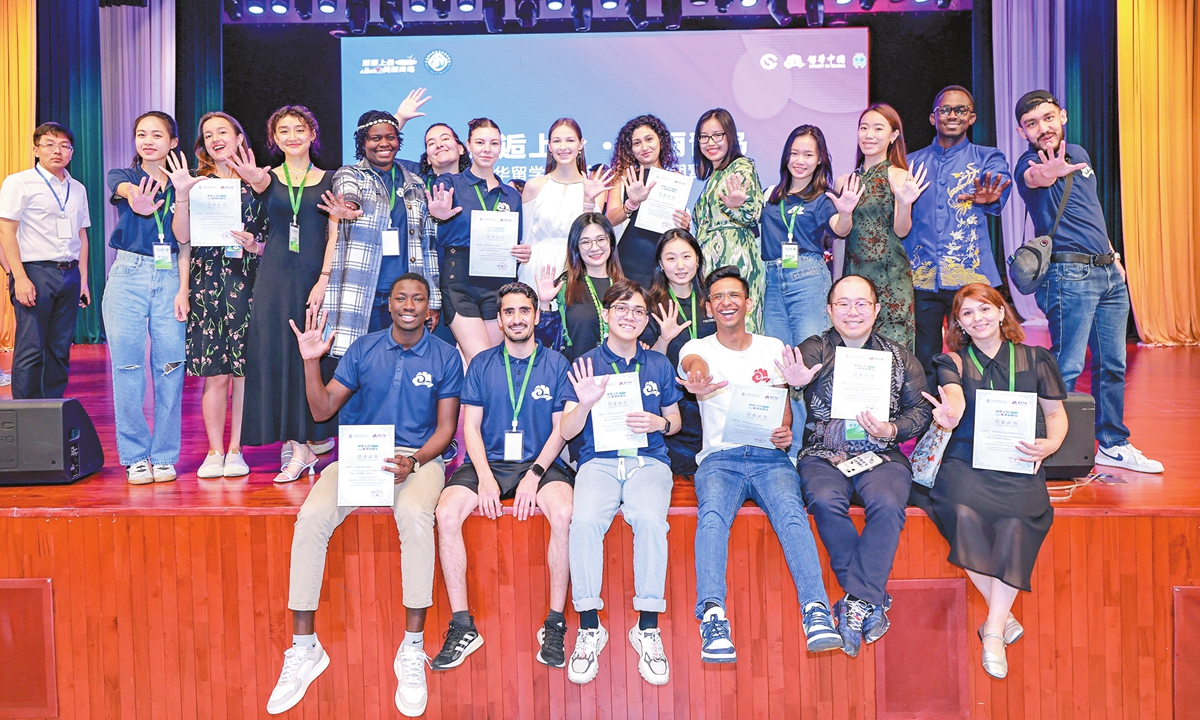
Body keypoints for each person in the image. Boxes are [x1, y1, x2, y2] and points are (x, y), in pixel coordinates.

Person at [266, 273, 461, 717]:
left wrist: (414, 461)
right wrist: (311, 361)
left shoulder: (447, 356)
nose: (409, 305)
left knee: (414, 516)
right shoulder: (363, 349)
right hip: (360, 453)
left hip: (419, 458)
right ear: (387, 305)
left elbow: (446, 429)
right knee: (312, 516)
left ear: (430, 308)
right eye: (400, 298)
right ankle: (304, 648)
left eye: (418, 298)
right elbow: (321, 409)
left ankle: (412, 649)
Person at [678, 265, 843, 662]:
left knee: (791, 513)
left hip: (771, 458)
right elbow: (693, 365)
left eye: (734, 295)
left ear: (748, 303)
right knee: (713, 515)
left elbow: (783, 410)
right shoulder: (696, 346)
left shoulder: (772, 348)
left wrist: (784, 432)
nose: (726, 303)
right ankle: (713, 619)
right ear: (709, 306)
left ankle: (816, 612)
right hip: (720, 459)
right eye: (718, 297)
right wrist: (698, 379)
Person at [917, 283, 1067, 679]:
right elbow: (955, 396)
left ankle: (994, 626)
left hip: (1017, 460)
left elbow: (1055, 416)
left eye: (985, 309)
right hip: (966, 460)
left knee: (1019, 523)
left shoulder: (1036, 358)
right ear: (959, 323)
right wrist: (950, 413)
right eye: (967, 313)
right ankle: (1000, 627)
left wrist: (1050, 444)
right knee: (960, 512)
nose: (977, 318)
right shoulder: (953, 361)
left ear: (1002, 313)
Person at [430, 282, 577, 672]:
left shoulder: (556, 364)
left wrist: (534, 474)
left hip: (540, 463)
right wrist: (484, 477)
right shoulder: (481, 364)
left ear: (536, 316)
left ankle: (554, 622)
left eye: (523, 311)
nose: (516, 319)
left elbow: (559, 430)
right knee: (445, 515)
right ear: (499, 319)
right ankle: (462, 625)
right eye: (508, 312)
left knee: (563, 513)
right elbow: (471, 429)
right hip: (488, 462)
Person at [1013, 90, 1162, 473]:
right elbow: (1037, 176)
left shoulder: (1079, 154)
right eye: (1032, 124)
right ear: (1021, 131)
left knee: (1113, 364)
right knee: (1067, 365)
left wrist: (1113, 254)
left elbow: (1089, 209)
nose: (1042, 128)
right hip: (1069, 274)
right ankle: (1044, 448)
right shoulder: (1027, 164)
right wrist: (1050, 171)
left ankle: (1113, 443)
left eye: (1048, 118)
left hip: (1108, 272)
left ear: (1062, 115)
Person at [787, 274, 932, 657]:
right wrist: (797, 383)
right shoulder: (815, 349)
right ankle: (869, 597)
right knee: (822, 499)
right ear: (830, 309)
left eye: (861, 304)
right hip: (823, 454)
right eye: (843, 304)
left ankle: (855, 602)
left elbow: (921, 410)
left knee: (887, 503)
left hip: (881, 454)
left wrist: (893, 428)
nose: (852, 312)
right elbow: (796, 380)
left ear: (877, 309)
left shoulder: (900, 356)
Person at [559, 279, 682, 686]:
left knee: (650, 521)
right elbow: (567, 429)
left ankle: (647, 627)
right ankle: (590, 625)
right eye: (622, 309)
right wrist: (588, 402)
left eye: (638, 312)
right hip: (600, 462)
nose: (630, 317)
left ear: (645, 320)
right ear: (607, 315)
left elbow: (675, 422)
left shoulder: (658, 365)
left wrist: (659, 423)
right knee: (585, 522)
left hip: (648, 461)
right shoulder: (584, 364)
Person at [231, 105, 339, 482]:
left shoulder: (331, 179)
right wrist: (252, 182)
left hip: (314, 278)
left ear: (312, 134)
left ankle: (306, 443)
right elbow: (265, 218)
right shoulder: (265, 178)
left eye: (299, 129)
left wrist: (325, 278)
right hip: (274, 278)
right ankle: (295, 446)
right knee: (277, 356)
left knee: (307, 360)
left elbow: (334, 235)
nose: (292, 136)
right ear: (274, 139)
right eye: (283, 131)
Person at [165, 112, 265, 478]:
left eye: (223, 131)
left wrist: (257, 245)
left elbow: (277, 240)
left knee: (241, 372)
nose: (215, 138)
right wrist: (182, 288)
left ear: (240, 137)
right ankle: (213, 451)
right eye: (208, 134)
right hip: (206, 285)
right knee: (215, 374)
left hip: (249, 284)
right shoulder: (196, 183)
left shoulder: (260, 182)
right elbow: (182, 239)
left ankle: (236, 449)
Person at [761, 125, 861, 454]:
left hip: (807, 277)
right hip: (772, 279)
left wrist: (845, 211)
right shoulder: (770, 195)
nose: (800, 160)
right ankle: (785, 449)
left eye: (808, 154)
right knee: (779, 364)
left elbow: (840, 229)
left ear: (820, 160)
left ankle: (816, 448)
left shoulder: (822, 199)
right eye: (794, 153)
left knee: (810, 364)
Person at [102, 111, 190, 484]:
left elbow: (184, 241)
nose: (148, 140)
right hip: (127, 274)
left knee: (171, 366)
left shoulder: (184, 184)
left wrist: (184, 289)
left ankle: (165, 454)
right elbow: (122, 192)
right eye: (141, 134)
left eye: (157, 134)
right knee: (126, 367)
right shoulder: (123, 176)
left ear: (173, 142)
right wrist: (135, 197)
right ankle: (135, 455)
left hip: (171, 274)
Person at [318, 105, 441, 363]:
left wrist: (434, 299)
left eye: (390, 137)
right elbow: (348, 196)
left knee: (402, 366)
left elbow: (427, 245)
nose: (384, 143)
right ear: (363, 143)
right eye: (375, 138)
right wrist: (348, 208)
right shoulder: (350, 174)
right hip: (364, 291)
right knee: (360, 364)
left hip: (405, 297)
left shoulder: (415, 183)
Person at [906, 86, 1012, 380]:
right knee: (922, 355)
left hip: (969, 274)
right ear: (933, 117)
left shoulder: (986, 157)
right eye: (945, 110)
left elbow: (1001, 178)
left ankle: (974, 416)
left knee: (976, 354)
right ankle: (927, 417)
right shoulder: (911, 162)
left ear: (972, 117)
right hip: (921, 275)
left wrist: (992, 194)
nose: (952, 116)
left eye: (961, 110)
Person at [0, 122, 90, 400]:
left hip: (70, 273)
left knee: (60, 349)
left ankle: (52, 411)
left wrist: (83, 281)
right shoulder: (19, 182)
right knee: (30, 348)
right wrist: (19, 276)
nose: (57, 151)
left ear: (72, 152)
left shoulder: (77, 188)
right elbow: (6, 231)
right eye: (49, 144)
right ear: (36, 149)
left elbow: (81, 236)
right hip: (35, 272)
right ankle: (27, 416)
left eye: (64, 146)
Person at [428, 118, 528, 365]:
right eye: (480, 142)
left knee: (494, 363)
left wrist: (522, 252)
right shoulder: (450, 184)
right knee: (481, 360)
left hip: (498, 283)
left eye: (494, 143)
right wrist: (438, 215)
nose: (487, 149)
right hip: (460, 283)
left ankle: (472, 405)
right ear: (468, 146)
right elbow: (437, 217)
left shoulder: (512, 195)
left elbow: (515, 241)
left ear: (501, 147)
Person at [834, 103, 929, 351]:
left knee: (893, 352)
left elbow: (902, 231)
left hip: (891, 277)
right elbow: (841, 232)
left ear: (893, 135)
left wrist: (904, 203)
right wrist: (844, 212)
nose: (869, 135)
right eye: (864, 128)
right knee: (855, 347)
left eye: (878, 128)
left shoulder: (900, 176)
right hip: (855, 275)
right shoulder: (846, 180)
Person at [644, 228, 713, 475]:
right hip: (674, 406)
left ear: (698, 259)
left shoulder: (714, 300)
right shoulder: (650, 304)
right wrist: (664, 339)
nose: (680, 265)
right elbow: (647, 366)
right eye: (671, 258)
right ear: (661, 265)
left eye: (686, 256)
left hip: (714, 398)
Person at [691, 108, 764, 332]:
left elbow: (754, 212)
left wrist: (738, 206)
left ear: (729, 136)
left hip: (734, 258)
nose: (710, 142)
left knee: (741, 328)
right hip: (710, 262)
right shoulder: (714, 175)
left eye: (717, 135)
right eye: (704, 137)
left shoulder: (740, 167)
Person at [519, 118, 613, 287]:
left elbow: (591, 237)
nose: (563, 147)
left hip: (577, 268)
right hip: (537, 269)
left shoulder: (593, 188)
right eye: (557, 141)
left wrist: (589, 201)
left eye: (570, 140)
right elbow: (525, 239)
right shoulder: (534, 186)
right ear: (549, 146)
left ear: (581, 144)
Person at [604, 114, 692, 288]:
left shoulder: (676, 179)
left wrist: (685, 225)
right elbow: (609, 220)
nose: (644, 147)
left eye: (649, 139)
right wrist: (631, 204)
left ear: (660, 141)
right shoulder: (622, 178)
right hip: (626, 264)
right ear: (630, 149)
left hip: (664, 265)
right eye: (636, 143)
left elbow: (678, 227)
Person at [533, 212, 626, 364]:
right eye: (585, 242)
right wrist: (544, 304)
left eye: (601, 239)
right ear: (575, 247)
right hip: (575, 376)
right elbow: (543, 341)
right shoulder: (563, 287)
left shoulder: (626, 289)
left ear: (611, 242)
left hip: (618, 377)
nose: (594, 248)